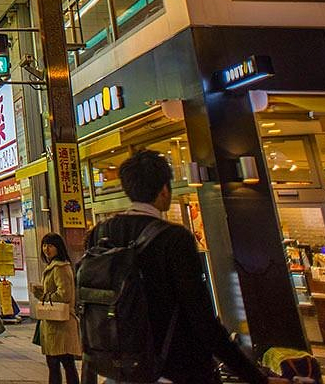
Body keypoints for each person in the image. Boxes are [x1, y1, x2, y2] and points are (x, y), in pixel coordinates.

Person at [84, 151, 279, 384]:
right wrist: (254, 376)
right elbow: (201, 318)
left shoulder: (100, 233)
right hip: (175, 367)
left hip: (119, 367)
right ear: (164, 191)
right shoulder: (174, 238)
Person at [31, 233, 81, 384]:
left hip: (61, 325)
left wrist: (44, 296)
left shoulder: (60, 267)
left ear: (58, 247)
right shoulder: (53, 266)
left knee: (61, 363)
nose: (46, 249)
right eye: (44, 245)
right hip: (54, 323)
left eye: (50, 245)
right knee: (59, 363)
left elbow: (64, 294)